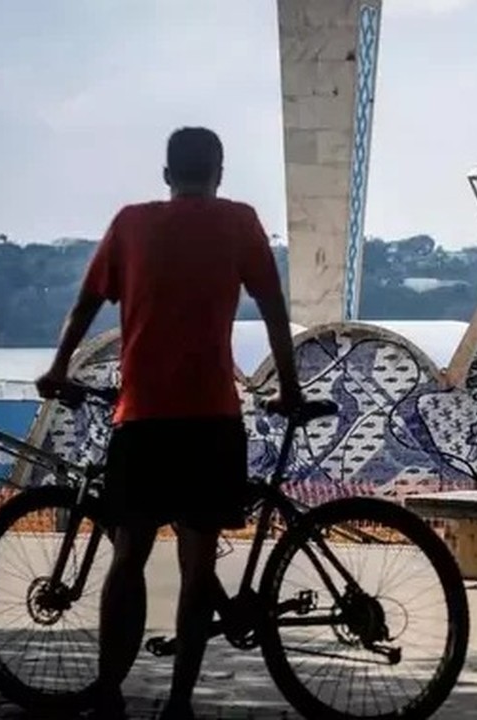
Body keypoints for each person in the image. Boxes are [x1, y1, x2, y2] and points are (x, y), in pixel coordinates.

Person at [36, 126, 302, 719]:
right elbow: (275, 309)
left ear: (166, 175)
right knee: (196, 565)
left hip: (145, 420)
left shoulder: (131, 224)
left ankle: (109, 693)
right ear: (219, 172)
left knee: (127, 558)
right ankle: (179, 704)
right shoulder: (240, 222)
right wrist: (287, 386)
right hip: (212, 420)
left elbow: (85, 304)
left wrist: (58, 368)